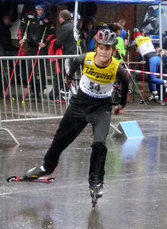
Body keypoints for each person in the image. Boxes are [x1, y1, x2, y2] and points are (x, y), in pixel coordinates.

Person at [22, 28, 129, 202]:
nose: (103, 52)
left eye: (107, 49)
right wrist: (69, 77)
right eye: (101, 48)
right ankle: (46, 167)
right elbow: (75, 63)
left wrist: (121, 103)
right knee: (61, 138)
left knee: (99, 144)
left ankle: (96, 182)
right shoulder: (85, 58)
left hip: (101, 108)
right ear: (96, 48)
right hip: (80, 104)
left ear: (113, 51)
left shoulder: (118, 69)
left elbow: (125, 84)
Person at [22, 4, 54, 97]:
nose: (40, 12)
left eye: (42, 10)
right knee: (29, 69)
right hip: (32, 47)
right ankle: (32, 88)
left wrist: (45, 43)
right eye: (39, 10)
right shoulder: (30, 17)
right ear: (36, 10)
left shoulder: (47, 20)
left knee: (42, 69)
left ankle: (41, 89)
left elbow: (51, 33)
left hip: (42, 48)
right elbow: (22, 28)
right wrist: (22, 38)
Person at [129, 29, 167, 102]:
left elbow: (128, 47)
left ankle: (165, 82)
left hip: (152, 60)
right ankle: (155, 94)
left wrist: (128, 41)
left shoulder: (136, 40)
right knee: (151, 77)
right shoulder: (148, 38)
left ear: (135, 36)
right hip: (157, 58)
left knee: (153, 78)